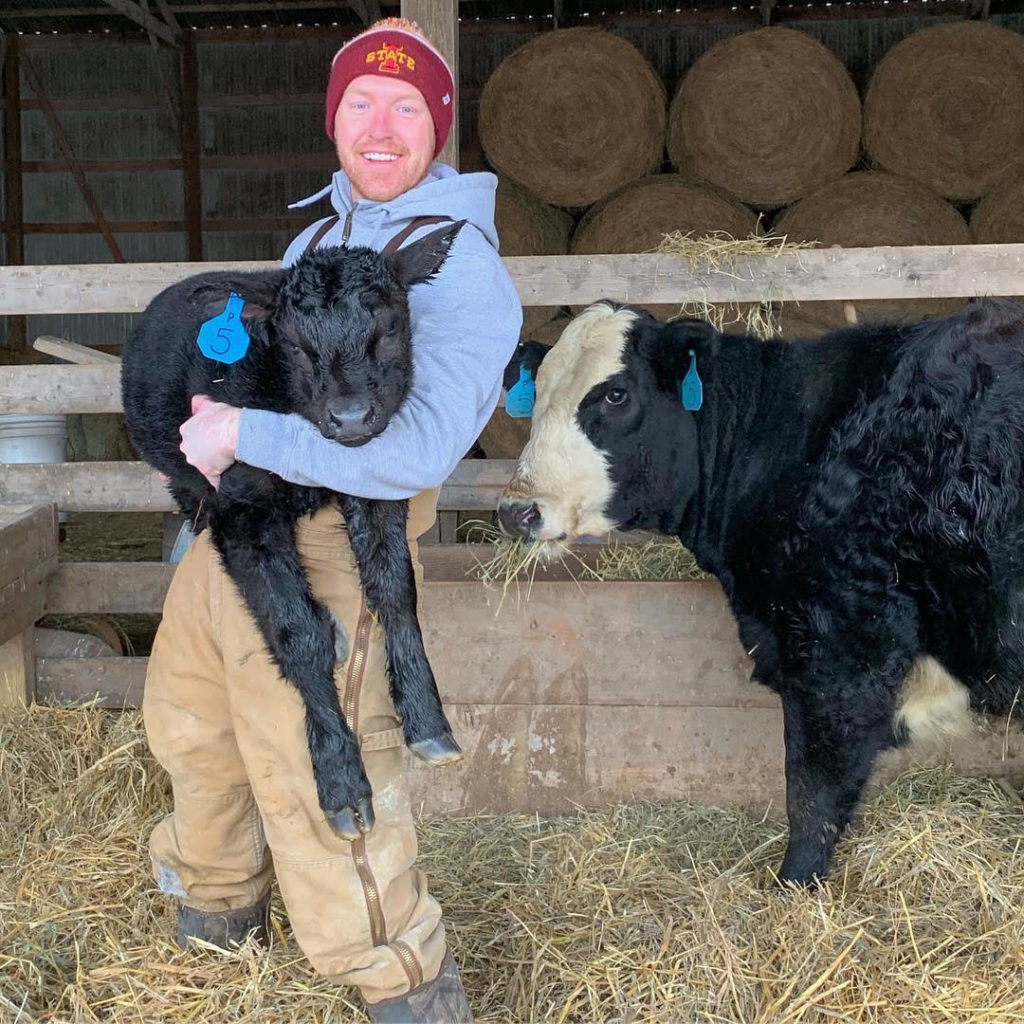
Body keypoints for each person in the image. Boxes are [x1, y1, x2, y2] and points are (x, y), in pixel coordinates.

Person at [142, 17, 522, 1022]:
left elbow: (412, 449)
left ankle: (401, 979)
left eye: (408, 107)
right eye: (362, 103)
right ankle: (217, 901)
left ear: (438, 129)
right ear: (334, 120)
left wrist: (245, 439)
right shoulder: (318, 236)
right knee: (189, 711)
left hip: (350, 535)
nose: (382, 127)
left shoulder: (461, 269)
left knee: (321, 751)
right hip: (250, 515)